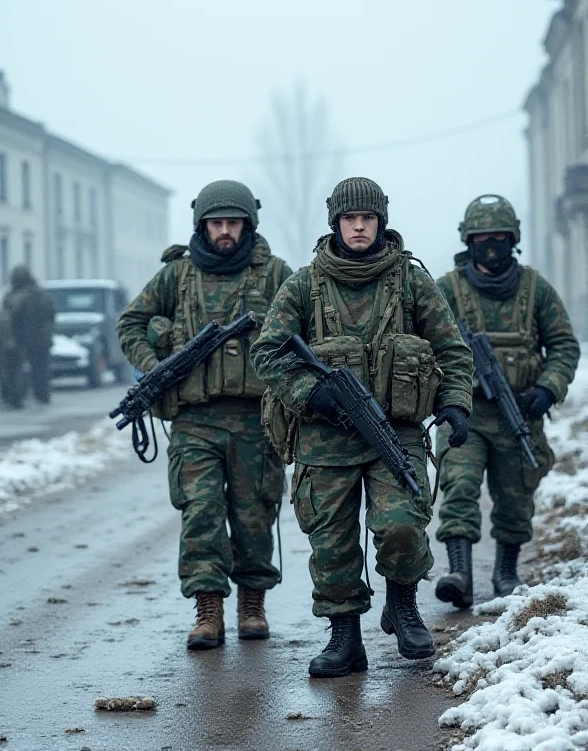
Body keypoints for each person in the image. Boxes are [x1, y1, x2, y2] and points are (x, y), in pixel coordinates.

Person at [250, 177, 473, 677]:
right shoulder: (303, 285)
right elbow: (265, 353)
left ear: (380, 222)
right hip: (323, 439)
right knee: (332, 543)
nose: (358, 226)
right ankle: (345, 638)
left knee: (400, 524)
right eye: (350, 219)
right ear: (336, 223)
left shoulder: (412, 282)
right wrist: (311, 393)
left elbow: (452, 350)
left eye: (367, 218)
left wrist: (456, 403)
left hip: (396, 432)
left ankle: (402, 604)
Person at [117, 180, 292, 650]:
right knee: (201, 512)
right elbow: (131, 322)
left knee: (255, 512)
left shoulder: (276, 274)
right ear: (203, 225)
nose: (225, 232)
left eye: (233, 223)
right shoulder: (178, 275)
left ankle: (252, 603)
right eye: (217, 223)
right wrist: (154, 366)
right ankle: (207, 608)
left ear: (247, 224)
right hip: (194, 419)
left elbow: (306, 329)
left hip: (257, 417)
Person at [434, 195, 580, 608]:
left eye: (500, 237)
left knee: (516, 496)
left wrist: (548, 389)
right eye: (483, 238)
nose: (492, 245)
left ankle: (506, 571)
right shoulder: (448, 290)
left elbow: (564, 345)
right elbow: (423, 344)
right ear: (469, 240)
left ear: (513, 238)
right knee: (459, 486)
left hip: (520, 412)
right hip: (466, 414)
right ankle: (459, 571)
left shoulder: (535, 290)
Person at [2, 265, 55, 405]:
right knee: (40, 369)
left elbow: (8, 317)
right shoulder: (42, 295)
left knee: (17, 369)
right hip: (39, 339)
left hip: (20, 339)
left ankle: (17, 397)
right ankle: (41, 395)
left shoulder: (13, 296)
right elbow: (51, 315)